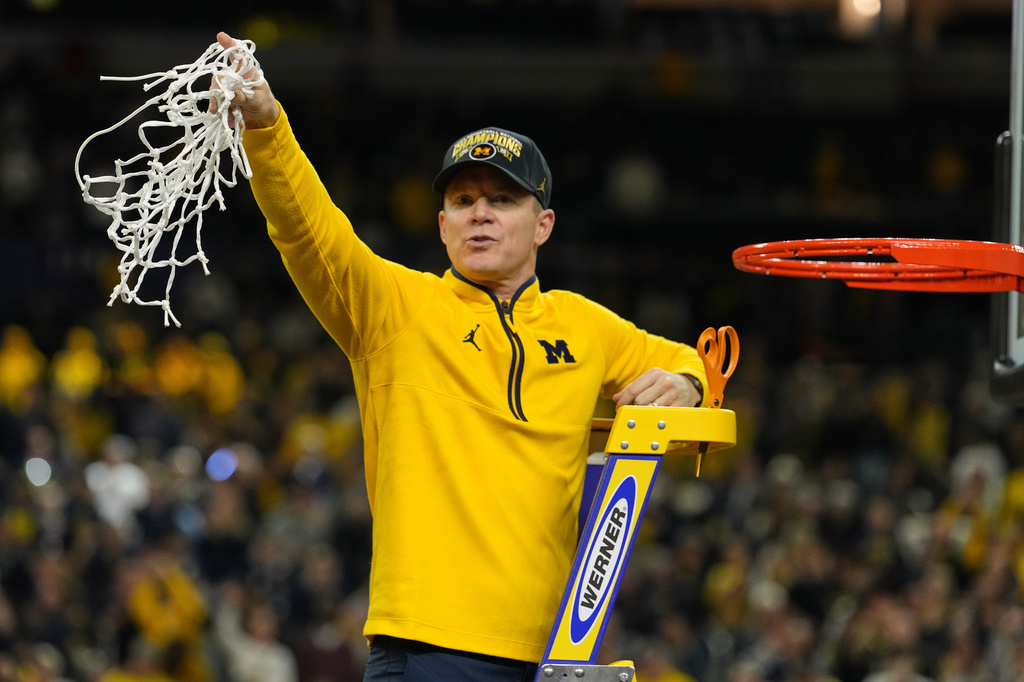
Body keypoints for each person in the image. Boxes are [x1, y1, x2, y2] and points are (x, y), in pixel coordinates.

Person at [214, 31, 709, 681]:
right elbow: (309, 232)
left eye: (502, 200)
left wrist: (687, 383)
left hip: (551, 657)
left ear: (543, 225)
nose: (480, 215)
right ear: (442, 223)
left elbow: (688, 360)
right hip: (426, 649)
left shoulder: (586, 326)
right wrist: (269, 128)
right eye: (462, 200)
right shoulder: (395, 308)